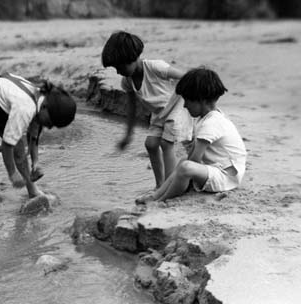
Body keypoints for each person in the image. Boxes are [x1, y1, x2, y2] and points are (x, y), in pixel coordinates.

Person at [0, 72, 76, 213]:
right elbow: (6, 146)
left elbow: (33, 138)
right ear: (46, 107)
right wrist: (13, 174)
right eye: (51, 122)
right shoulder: (26, 108)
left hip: (1, 103)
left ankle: (32, 190)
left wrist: (36, 164)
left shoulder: (41, 104)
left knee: (20, 148)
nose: (50, 126)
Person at [135, 67, 247, 203]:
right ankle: (156, 195)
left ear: (202, 100)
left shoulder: (211, 123)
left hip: (226, 177)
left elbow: (194, 159)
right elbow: (192, 154)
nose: (185, 106)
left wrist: (183, 174)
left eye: (188, 100)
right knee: (183, 162)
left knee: (185, 167)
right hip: (218, 169)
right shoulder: (206, 118)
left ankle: (161, 200)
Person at [101, 31, 193, 189]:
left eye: (119, 67)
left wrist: (190, 99)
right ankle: (160, 185)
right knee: (150, 144)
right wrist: (128, 135)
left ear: (131, 58)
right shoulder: (127, 82)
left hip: (177, 107)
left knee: (166, 144)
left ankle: (169, 186)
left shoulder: (155, 67)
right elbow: (131, 109)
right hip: (158, 114)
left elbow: (186, 77)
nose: (118, 72)